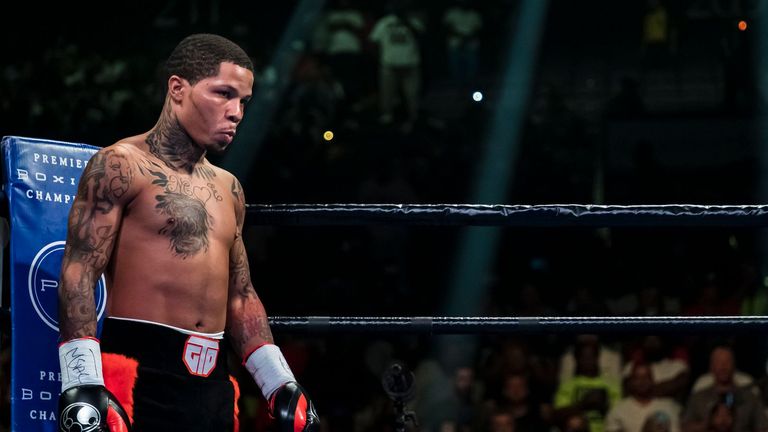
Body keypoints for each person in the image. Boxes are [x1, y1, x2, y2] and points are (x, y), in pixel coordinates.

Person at [56, 33, 319, 431]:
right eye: (224, 94)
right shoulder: (121, 165)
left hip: (212, 381)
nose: (236, 113)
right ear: (178, 89)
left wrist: (278, 382)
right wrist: (82, 381)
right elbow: (79, 270)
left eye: (243, 101)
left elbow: (241, 295)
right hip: (139, 372)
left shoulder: (228, 188)